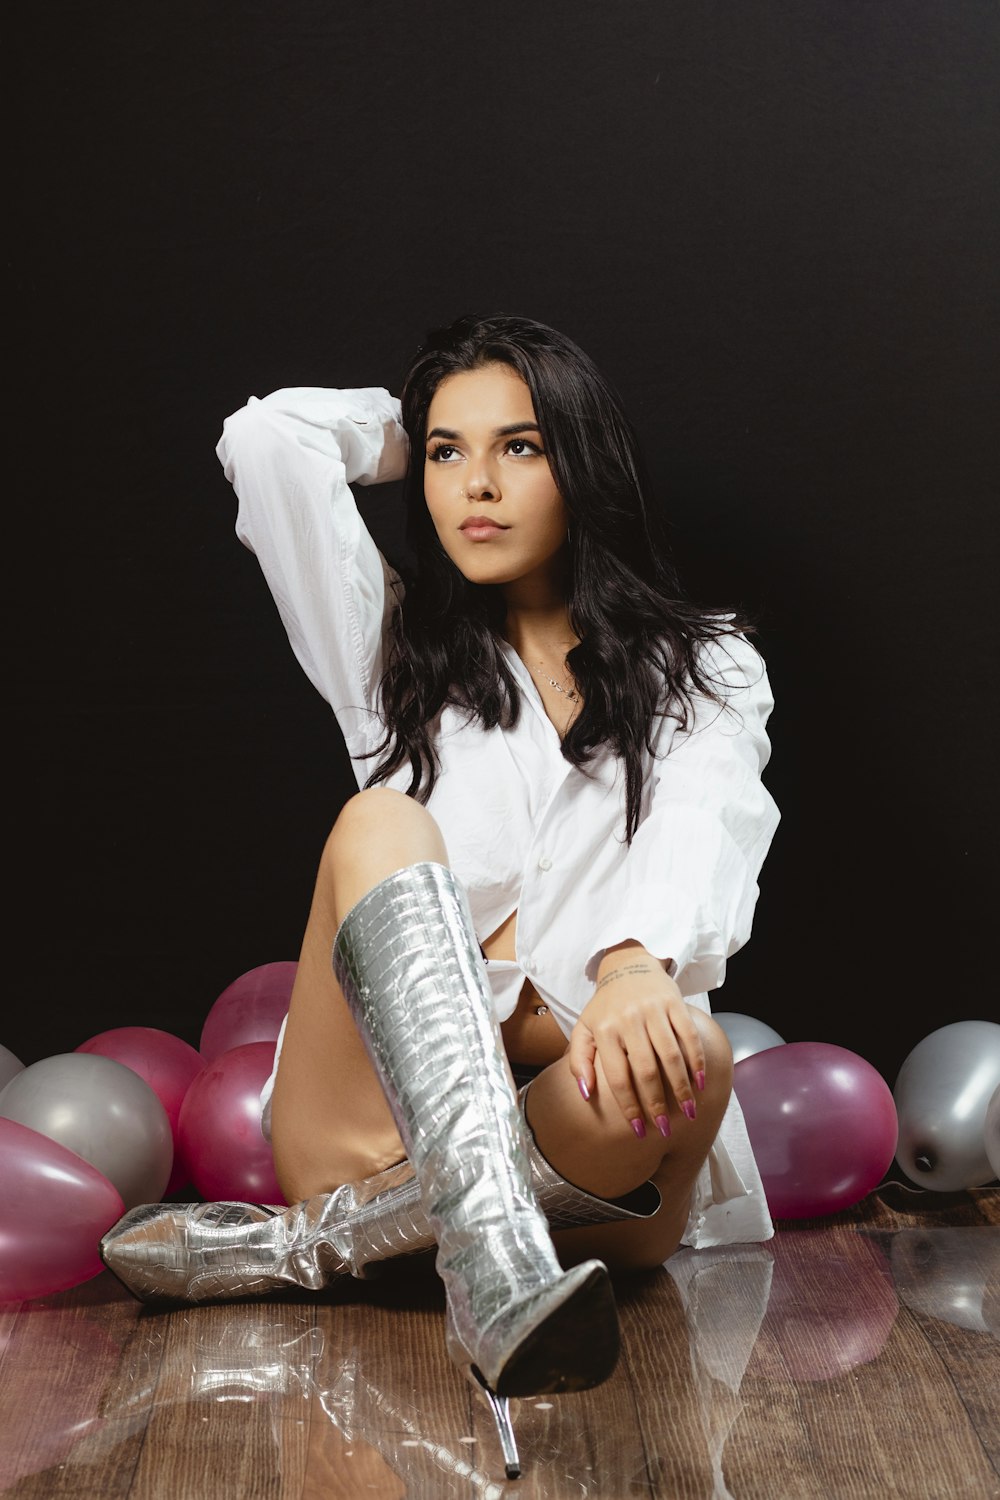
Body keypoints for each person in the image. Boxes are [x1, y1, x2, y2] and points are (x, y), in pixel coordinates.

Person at [101, 313, 780, 1477]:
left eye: (520, 447)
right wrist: (396, 433)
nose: (475, 485)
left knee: (698, 1059)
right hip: (366, 1136)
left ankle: (309, 1254)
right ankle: (493, 1269)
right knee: (379, 819)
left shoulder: (704, 664)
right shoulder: (390, 649)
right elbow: (270, 442)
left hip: (590, 1166)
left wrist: (630, 967)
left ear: (583, 463)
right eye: (447, 452)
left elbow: (705, 815)